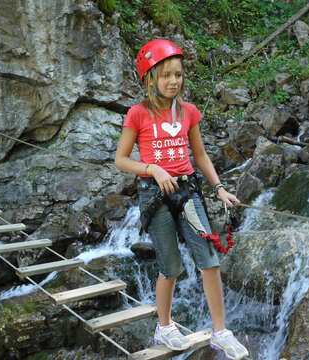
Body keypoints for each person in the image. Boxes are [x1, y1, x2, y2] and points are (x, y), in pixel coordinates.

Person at [114, 39, 249, 360]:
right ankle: (164, 325)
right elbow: (121, 159)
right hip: (154, 194)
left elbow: (200, 155)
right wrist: (153, 169)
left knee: (209, 261)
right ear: (150, 79)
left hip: (188, 190)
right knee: (170, 267)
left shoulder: (188, 112)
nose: (174, 81)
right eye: (166, 76)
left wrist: (219, 188)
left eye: (178, 74)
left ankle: (221, 331)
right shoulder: (138, 114)